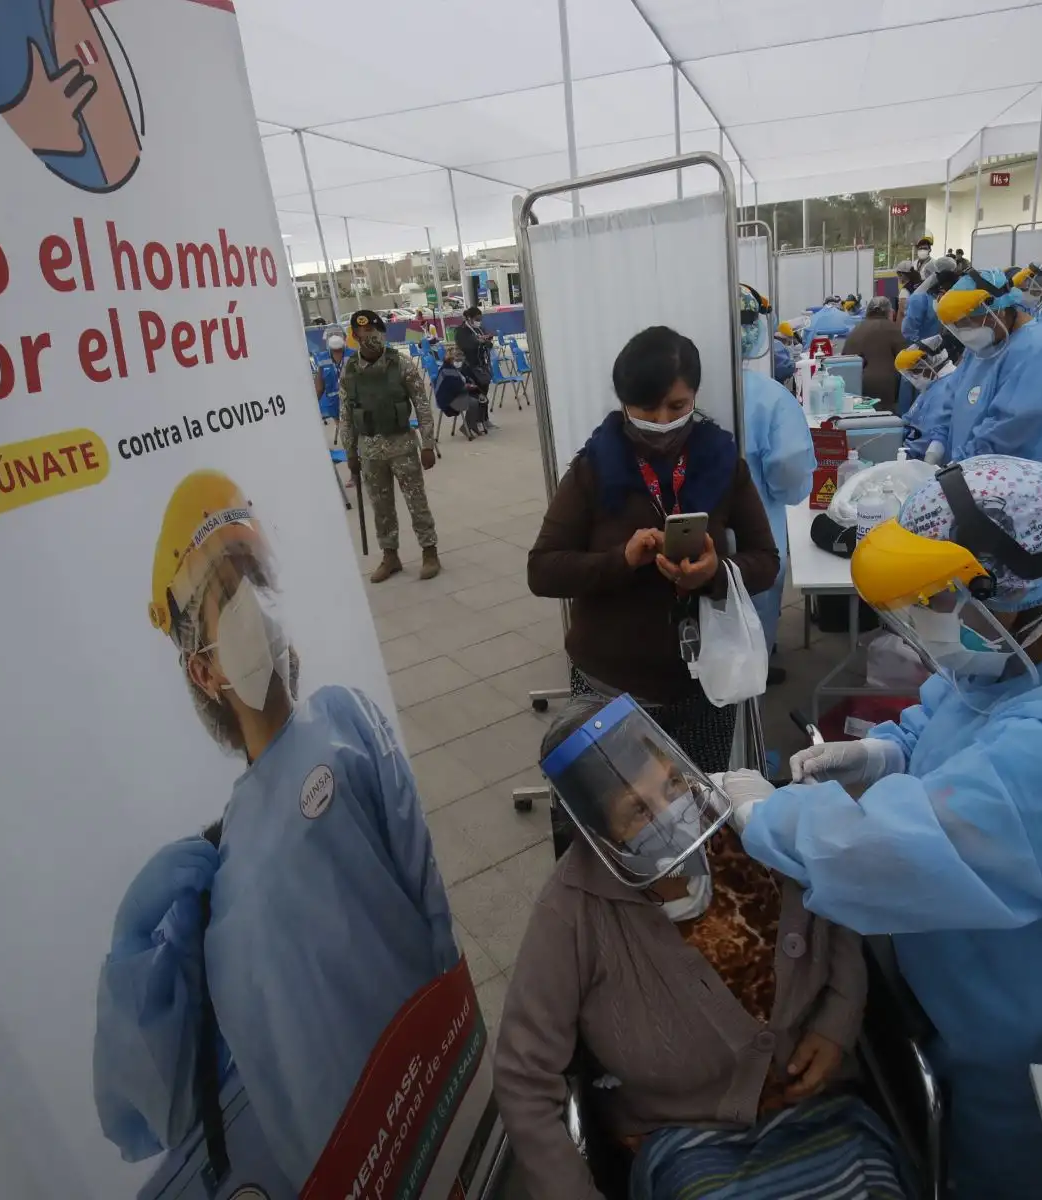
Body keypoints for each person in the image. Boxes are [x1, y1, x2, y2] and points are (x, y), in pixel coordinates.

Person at [724, 456, 1042, 1200]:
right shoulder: (1032, 651)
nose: (923, 623)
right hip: (960, 980)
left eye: (936, 600)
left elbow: (896, 847)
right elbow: (955, 716)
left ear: (1007, 588)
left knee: (999, 1177)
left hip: (1025, 1032)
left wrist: (766, 817)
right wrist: (883, 753)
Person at [94, 470, 460, 1194]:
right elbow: (163, 1104)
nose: (254, 609)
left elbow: (430, 897)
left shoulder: (347, 721)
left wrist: (459, 1035)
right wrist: (133, 958)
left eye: (256, 581)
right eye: (228, 595)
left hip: (441, 1089)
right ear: (204, 670)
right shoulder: (213, 889)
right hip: (344, 1166)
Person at [494, 699, 911, 1200]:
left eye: (672, 784)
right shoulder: (573, 912)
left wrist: (836, 1023)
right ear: (599, 837)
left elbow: (835, 908)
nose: (673, 814)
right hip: (687, 1138)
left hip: (822, 1108)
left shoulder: (747, 823)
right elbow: (523, 1076)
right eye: (638, 811)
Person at [527, 326, 780, 773]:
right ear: (624, 402)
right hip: (610, 687)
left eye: (677, 407)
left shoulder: (723, 464)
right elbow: (542, 570)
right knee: (620, 807)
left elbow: (766, 560)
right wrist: (620, 561)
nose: (663, 421)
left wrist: (715, 573)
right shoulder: (593, 470)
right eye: (647, 408)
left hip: (704, 686)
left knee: (700, 801)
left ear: (695, 397)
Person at [931, 268, 1042, 466]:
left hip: (1020, 471)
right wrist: (938, 440)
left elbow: (1012, 423)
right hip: (975, 466)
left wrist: (966, 460)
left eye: (966, 323)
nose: (963, 332)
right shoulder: (983, 346)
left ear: (996, 310)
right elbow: (954, 393)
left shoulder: (1037, 350)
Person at [740, 286, 818, 684]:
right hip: (756, 535)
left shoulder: (678, 395)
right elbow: (789, 470)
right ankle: (753, 679)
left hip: (694, 539)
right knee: (755, 613)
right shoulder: (767, 397)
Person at [339, 309, 442, 582]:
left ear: (382, 333)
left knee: (416, 501)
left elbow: (422, 405)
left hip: (402, 446)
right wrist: (350, 453)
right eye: (363, 333)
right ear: (355, 336)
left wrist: (428, 444)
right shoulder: (349, 371)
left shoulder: (401, 364)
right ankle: (390, 556)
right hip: (370, 450)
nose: (369, 337)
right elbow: (345, 415)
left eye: (374, 332)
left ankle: (429, 551)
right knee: (381, 507)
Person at [894, 336, 958, 456]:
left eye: (914, 372)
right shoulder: (932, 385)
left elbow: (927, 437)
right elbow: (909, 419)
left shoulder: (945, 389)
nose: (912, 377)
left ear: (931, 365)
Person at [841, 295, 905, 411]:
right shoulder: (893, 329)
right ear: (889, 312)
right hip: (884, 390)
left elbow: (844, 358)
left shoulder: (856, 329)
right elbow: (904, 360)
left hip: (853, 389)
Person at [313, 332, 351, 425]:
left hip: (335, 404)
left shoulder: (321, 358)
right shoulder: (354, 354)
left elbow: (319, 389)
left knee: (342, 429)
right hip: (352, 402)